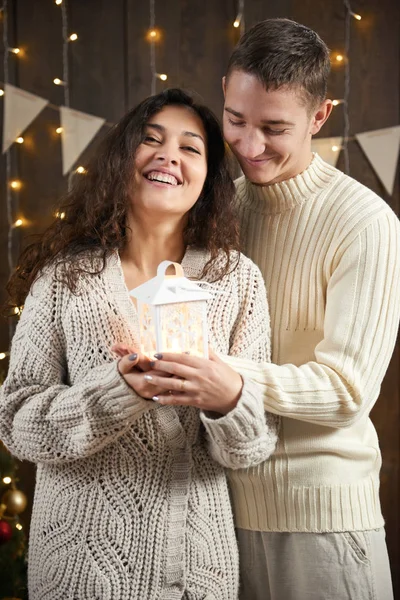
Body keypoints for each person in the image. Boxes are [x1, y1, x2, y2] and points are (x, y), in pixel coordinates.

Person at [147, 19, 400, 600]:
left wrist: (228, 379)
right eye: (236, 120)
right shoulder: (218, 209)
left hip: (323, 523)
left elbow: (347, 389)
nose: (250, 145)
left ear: (320, 117)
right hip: (222, 518)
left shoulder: (365, 223)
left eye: (275, 127)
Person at [0, 89, 279, 600]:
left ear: (208, 175)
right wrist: (116, 392)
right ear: (122, 158)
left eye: (190, 147)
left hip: (195, 568)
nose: (169, 155)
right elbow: (16, 424)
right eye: (151, 140)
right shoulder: (66, 279)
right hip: (77, 568)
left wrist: (227, 401)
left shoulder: (237, 280)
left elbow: (253, 447)